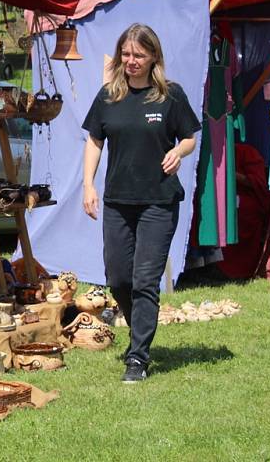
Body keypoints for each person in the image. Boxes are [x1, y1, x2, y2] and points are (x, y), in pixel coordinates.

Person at [81, 23, 201, 383]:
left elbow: (190, 137)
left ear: (153, 58)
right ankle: (141, 331)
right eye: (127, 54)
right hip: (118, 200)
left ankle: (138, 359)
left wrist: (178, 152)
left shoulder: (170, 96)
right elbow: (94, 141)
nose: (131, 60)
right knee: (118, 277)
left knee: (145, 280)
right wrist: (88, 185)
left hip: (159, 201)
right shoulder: (108, 96)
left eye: (139, 55)